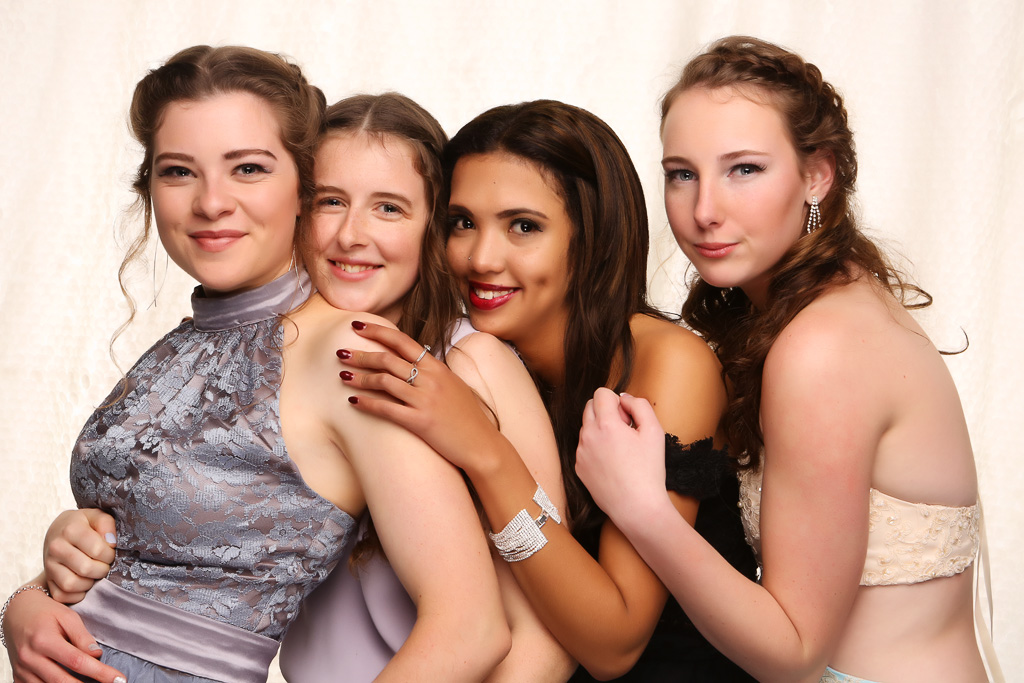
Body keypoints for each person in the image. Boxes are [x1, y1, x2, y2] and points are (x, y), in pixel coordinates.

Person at [6, 91, 571, 682]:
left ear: (432, 226)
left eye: (389, 208)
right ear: (297, 207)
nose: (351, 235)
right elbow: (199, 553)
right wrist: (40, 585)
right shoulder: (274, 353)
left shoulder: (471, 361)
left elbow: (539, 640)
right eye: (331, 201)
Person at [574, 36, 992, 683]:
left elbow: (794, 654)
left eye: (744, 169)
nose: (704, 210)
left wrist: (641, 507)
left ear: (817, 174)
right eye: (682, 173)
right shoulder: (832, 305)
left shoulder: (821, 347)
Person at [339, 99, 757, 680]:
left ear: (593, 239)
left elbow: (616, 643)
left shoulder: (668, 364)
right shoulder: (478, 361)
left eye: (524, 227)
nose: (481, 258)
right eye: (462, 223)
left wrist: (485, 452)